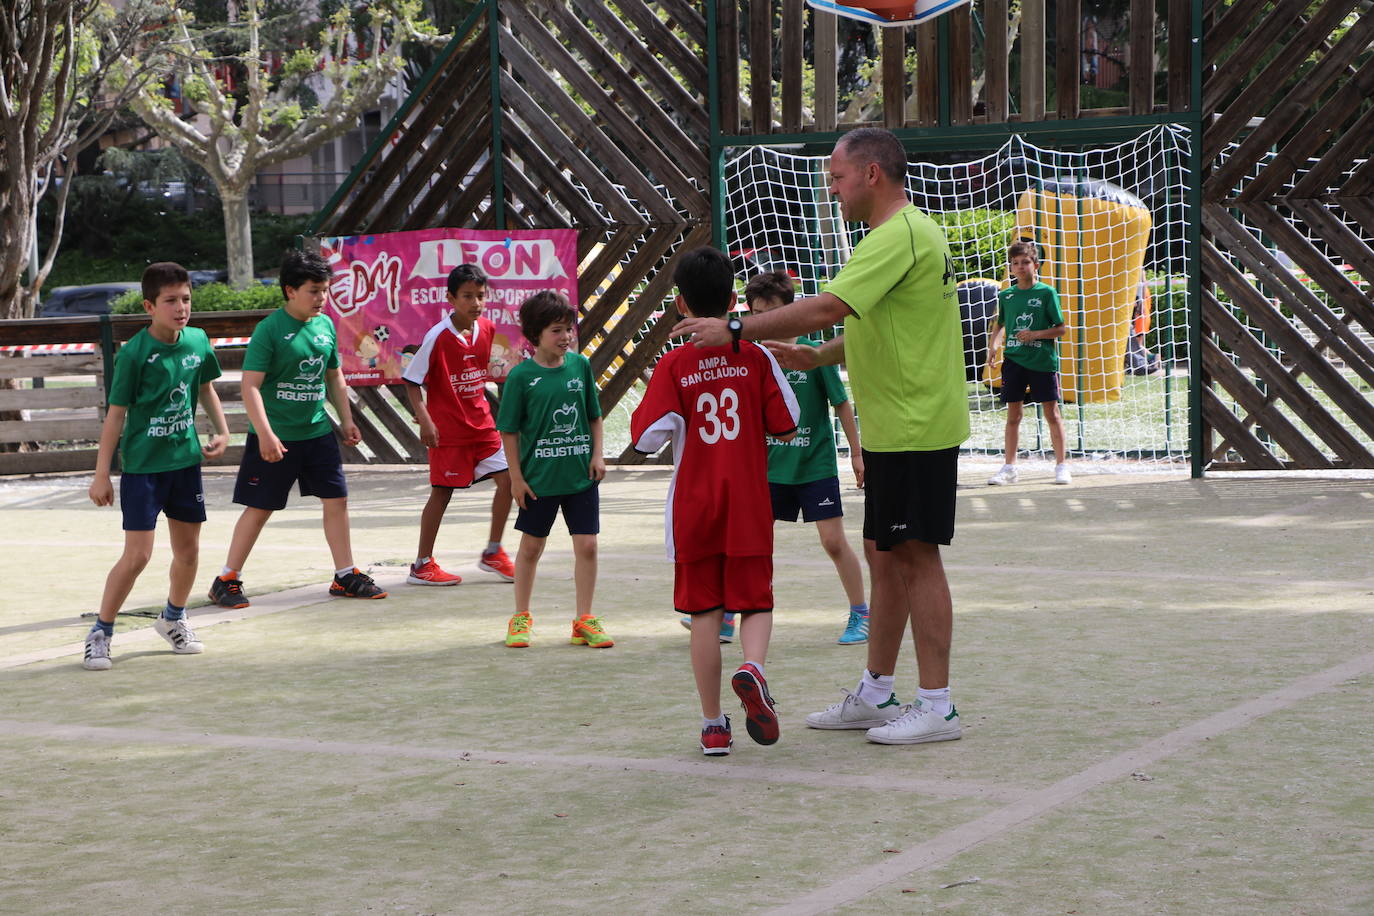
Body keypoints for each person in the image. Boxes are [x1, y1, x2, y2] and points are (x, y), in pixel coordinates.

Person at [674, 127, 969, 746]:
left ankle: (938, 705)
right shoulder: (900, 235)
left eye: (837, 178)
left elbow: (826, 306)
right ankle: (877, 692)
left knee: (917, 557)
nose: (831, 189)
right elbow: (880, 326)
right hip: (898, 426)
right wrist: (819, 358)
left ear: (871, 175)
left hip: (916, 427)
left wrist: (736, 329)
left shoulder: (898, 234)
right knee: (884, 558)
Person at [631, 247, 800, 756]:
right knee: (757, 602)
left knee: (704, 614)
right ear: (732, 301)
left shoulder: (675, 363)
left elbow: (646, 439)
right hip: (747, 502)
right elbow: (788, 423)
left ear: (680, 305)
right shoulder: (756, 355)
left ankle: (712, 726)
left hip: (695, 508)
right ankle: (753, 669)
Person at [680, 270, 868, 645]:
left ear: (790, 311)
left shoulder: (813, 353)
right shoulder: (752, 355)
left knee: (833, 542)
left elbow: (842, 405)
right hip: (767, 471)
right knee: (748, 543)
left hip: (815, 466)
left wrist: (857, 455)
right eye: (758, 313)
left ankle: (862, 613)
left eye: (772, 313)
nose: (765, 322)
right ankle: (729, 614)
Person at [206, 249, 386, 608]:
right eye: (314, 290)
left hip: (316, 432)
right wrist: (267, 435)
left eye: (324, 290)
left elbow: (334, 375)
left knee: (337, 500)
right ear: (290, 291)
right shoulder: (269, 330)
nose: (321, 298)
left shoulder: (326, 326)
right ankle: (227, 579)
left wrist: (347, 420)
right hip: (276, 436)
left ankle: (345, 575)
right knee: (260, 507)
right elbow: (250, 386)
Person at [84, 262, 230, 670]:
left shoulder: (199, 341)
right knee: (138, 556)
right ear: (150, 306)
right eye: (171, 301)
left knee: (189, 552)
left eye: (186, 299)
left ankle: (174, 618)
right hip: (143, 469)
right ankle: (101, 631)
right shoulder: (134, 353)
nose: (181, 307)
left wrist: (223, 429)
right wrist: (102, 474)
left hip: (185, 464)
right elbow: (115, 417)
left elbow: (205, 388)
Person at [494, 290, 611, 649]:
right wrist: (516, 477)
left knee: (588, 546)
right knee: (531, 548)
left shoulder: (580, 366)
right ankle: (521, 617)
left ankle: (584, 620)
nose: (566, 337)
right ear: (534, 335)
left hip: (580, 477)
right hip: (537, 481)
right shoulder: (520, 377)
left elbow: (594, 415)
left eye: (568, 329)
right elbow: (509, 431)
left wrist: (597, 455)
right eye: (556, 331)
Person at [400, 263, 516, 587]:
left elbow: (479, 375)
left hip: (482, 425)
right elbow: (412, 380)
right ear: (450, 297)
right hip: (448, 431)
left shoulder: (488, 329)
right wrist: (425, 419)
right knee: (442, 493)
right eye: (467, 296)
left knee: (509, 480)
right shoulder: (436, 337)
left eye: (480, 295)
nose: (475, 303)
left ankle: (493, 551)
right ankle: (422, 564)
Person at [985, 241, 1070, 486]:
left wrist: (1035, 334)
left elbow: (1061, 329)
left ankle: (1061, 466)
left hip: (1041, 361)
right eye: (1015, 263)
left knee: (1051, 413)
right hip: (1014, 361)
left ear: (1036, 265)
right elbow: (1001, 324)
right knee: (1013, 415)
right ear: (1011, 268)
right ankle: (1009, 467)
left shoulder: (1046, 293)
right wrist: (994, 345)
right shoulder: (1007, 295)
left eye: (1025, 262)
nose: (1020, 267)